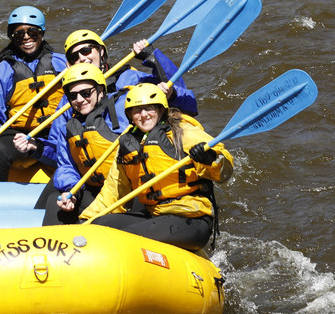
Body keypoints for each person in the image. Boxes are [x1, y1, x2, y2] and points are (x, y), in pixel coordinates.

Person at [80, 84, 233, 251]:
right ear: (130, 115)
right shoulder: (128, 145)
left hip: (191, 217)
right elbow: (112, 192)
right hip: (155, 214)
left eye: (149, 108)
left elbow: (224, 172)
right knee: (99, 224)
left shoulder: (183, 132)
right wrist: (85, 221)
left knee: (126, 236)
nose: (143, 115)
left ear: (161, 110)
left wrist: (210, 159)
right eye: (137, 110)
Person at [0, 6, 68, 182]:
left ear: (41, 33)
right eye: (19, 34)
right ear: (12, 37)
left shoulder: (61, 64)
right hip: (19, 137)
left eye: (32, 32)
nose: (27, 38)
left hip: (57, 133)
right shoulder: (4, 70)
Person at [41, 64, 126, 225]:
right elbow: (67, 166)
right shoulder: (70, 126)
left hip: (126, 190)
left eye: (85, 93)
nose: (79, 100)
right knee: (55, 201)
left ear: (100, 91)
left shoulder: (122, 107)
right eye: (73, 96)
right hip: (94, 189)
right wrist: (72, 191)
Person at [61, 28, 198, 115]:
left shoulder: (129, 78)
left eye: (86, 51)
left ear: (101, 51)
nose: (82, 58)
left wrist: (154, 58)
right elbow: (59, 139)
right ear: (70, 64)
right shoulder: (72, 97)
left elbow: (185, 97)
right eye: (74, 57)